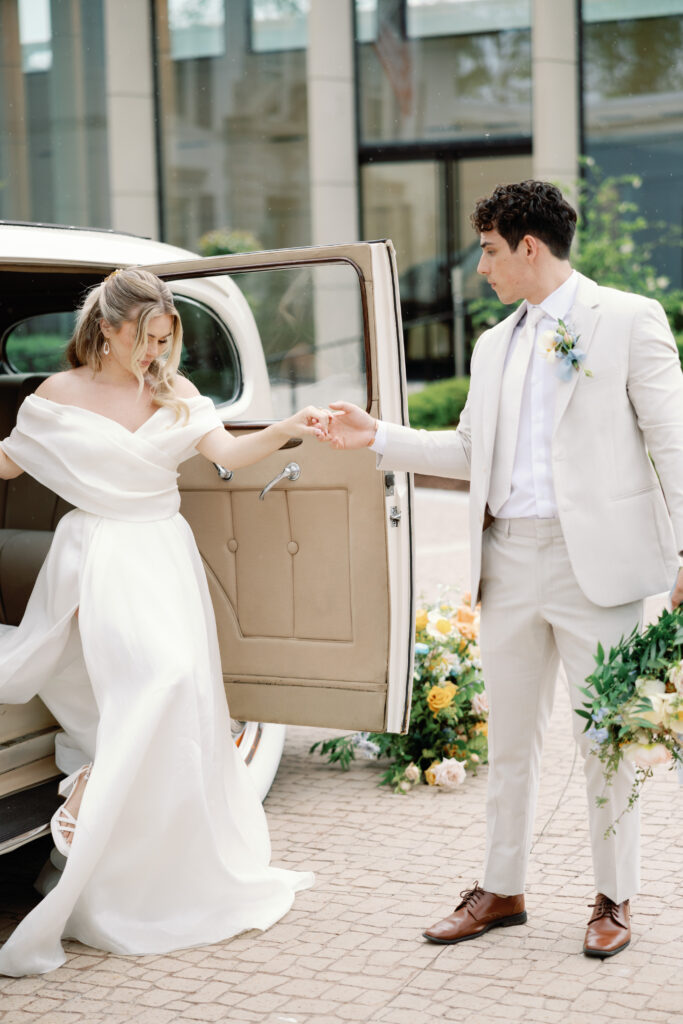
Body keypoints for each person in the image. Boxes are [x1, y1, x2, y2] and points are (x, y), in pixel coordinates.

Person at [320, 181, 683, 959]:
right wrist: (375, 436)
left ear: (527, 246)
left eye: (487, 250)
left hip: (601, 569)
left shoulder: (625, 319)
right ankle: (501, 887)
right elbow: (466, 452)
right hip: (507, 561)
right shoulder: (492, 346)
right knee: (511, 740)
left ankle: (614, 898)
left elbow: (672, 438)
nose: (478, 267)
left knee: (606, 740)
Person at [0, 267, 326, 977]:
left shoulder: (173, 393)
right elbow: (8, 466)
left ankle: (137, 859)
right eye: (146, 337)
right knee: (153, 680)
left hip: (164, 554)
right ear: (108, 327)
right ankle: (89, 792)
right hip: (100, 556)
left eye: (165, 338)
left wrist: (290, 427)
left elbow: (229, 456)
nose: (155, 353)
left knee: (179, 692)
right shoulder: (55, 396)